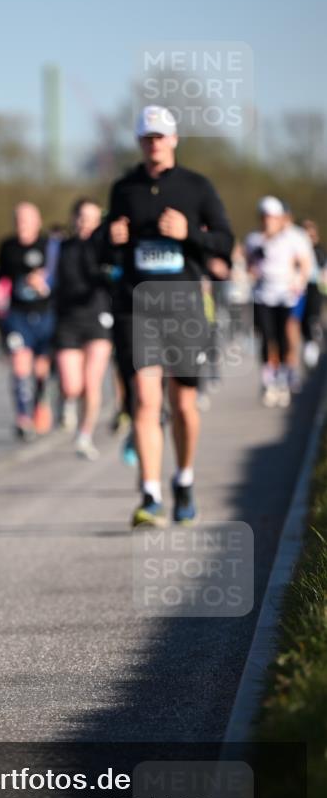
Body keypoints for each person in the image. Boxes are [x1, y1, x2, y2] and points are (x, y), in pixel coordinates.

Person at [101, 105, 234, 527]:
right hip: (137, 304)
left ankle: (184, 479)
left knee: (183, 403)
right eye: (147, 137)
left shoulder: (197, 187)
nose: (154, 143)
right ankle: (150, 494)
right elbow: (106, 250)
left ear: (174, 139)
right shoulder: (124, 188)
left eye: (161, 136)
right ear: (140, 142)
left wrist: (189, 234)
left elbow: (225, 242)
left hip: (183, 303)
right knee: (145, 399)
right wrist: (111, 236)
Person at [54, 198, 113, 459]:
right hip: (68, 319)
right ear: (74, 219)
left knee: (92, 383)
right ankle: (65, 401)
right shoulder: (60, 247)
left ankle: (84, 434)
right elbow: (49, 276)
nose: (85, 223)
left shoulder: (105, 247)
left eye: (91, 218)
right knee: (71, 385)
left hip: (97, 317)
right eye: (81, 217)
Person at [245, 196, 312, 406]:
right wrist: (252, 269)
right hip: (263, 295)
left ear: (280, 218)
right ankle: (268, 379)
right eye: (264, 218)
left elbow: (305, 263)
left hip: (286, 296)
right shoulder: (254, 239)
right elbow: (248, 264)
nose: (268, 222)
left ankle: (284, 377)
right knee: (266, 336)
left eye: (272, 218)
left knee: (285, 336)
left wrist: (298, 282)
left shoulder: (294, 238)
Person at [0, 203, 55, 440]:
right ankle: (22, 418)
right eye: (18, 219)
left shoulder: (49, 247)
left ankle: (40, 401)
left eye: (27, 219)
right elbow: (2, 280)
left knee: (41, 369)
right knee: (20, 365)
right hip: (17, 316)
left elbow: (59, 277)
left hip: (45, 315)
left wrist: (44, 283)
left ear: (37, 221)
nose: (22, 224)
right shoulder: (7, 247)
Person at [300, 219, 325, 368]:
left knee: (312, 318)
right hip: (300, 289)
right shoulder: (297, 250)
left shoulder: (318, 250)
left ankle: (313, 345)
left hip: (315, 288)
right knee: (302, 321)